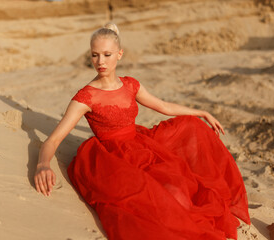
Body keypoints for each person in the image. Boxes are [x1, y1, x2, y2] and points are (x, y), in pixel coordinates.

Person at [34, 23, 250, 240]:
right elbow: (53, 141)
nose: (100, 62)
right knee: (158, 201)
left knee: (182, 180)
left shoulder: (130, 85)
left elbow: (164, 107)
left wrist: (202, 112)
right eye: (95, 55)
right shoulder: (85, 97)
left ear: (119, 54)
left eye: (107, 55)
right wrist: (43, 165)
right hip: (111, 159)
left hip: (143, 145)